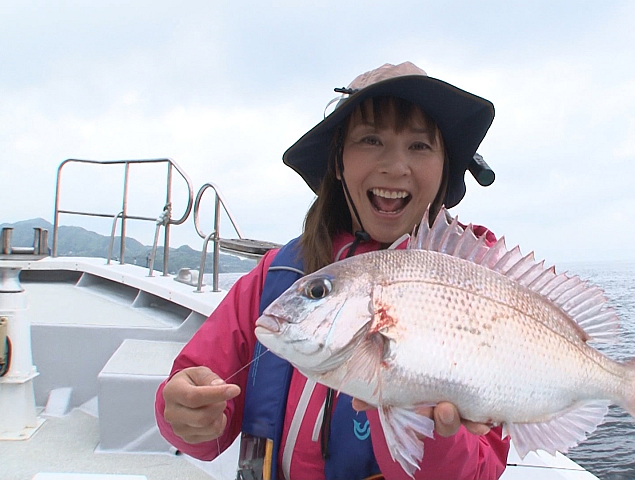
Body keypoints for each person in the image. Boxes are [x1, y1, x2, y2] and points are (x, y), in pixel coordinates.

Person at [155, 61, 510, 480]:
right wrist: (184, 412)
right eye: (371, 139)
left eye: (419, 146)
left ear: (445, 167)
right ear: (338, 160)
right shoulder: (279, 277)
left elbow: (479, 469)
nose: (395, 167)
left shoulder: (478, 283)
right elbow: (199, 395)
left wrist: (434, 430)